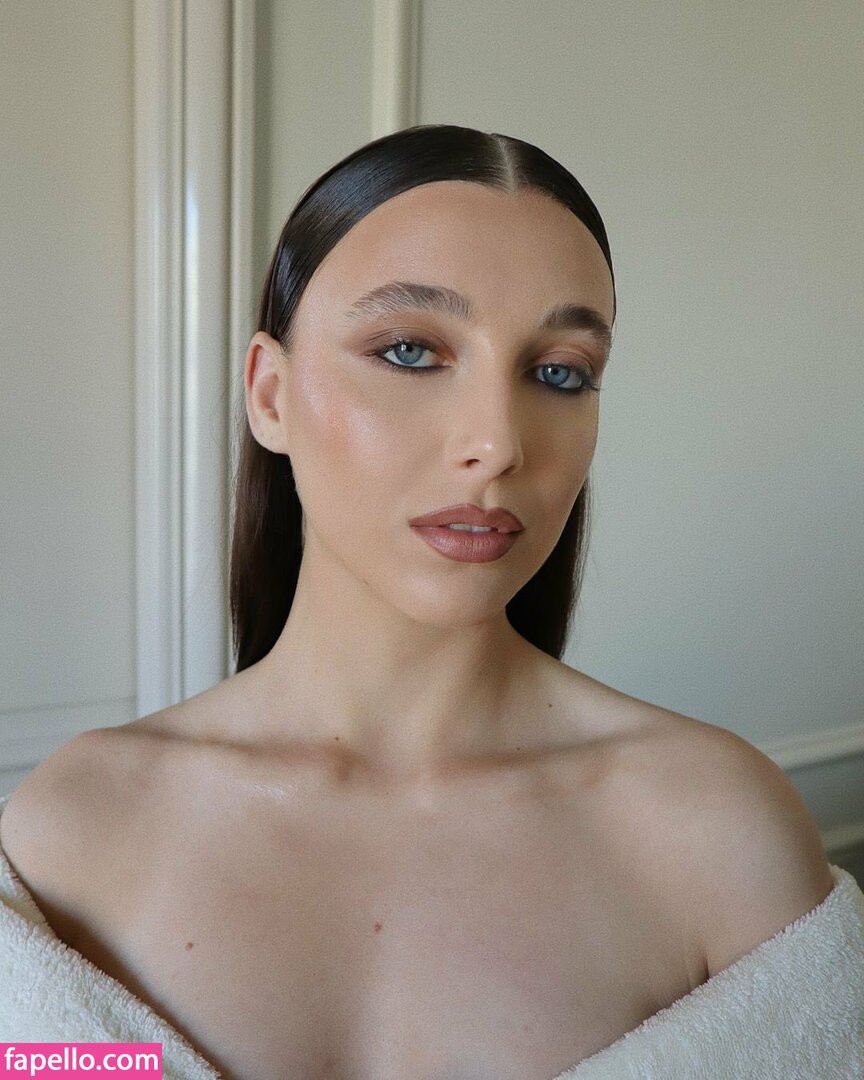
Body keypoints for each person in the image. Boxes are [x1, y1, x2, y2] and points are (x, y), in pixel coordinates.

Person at [0, 124, 848, 1080]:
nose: (498, 444)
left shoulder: (720, 836)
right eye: (409, 351)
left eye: (559, 373)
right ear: (270, 395)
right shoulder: (74, 836)